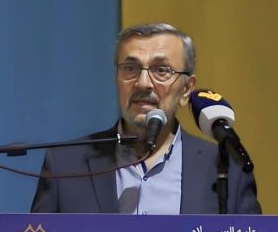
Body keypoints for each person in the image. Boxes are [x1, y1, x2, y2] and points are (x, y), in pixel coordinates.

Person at [31, 23, 261, 214]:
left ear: (186, 90)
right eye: (130, 69)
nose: (142, 83)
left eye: (161, 70)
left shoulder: (227, 170)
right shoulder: (65, 166)